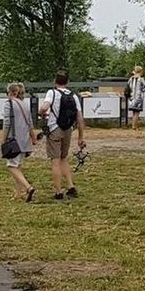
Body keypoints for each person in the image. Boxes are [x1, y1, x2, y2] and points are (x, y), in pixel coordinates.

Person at [38, 69, 86, 200]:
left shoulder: (52, 93)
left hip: (54, 129)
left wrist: (41, 113)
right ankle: (71, 186)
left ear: (55, 81)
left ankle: (58, 191)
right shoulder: (73, 95)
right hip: (68, 130)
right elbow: (80, 118)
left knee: (55, 160)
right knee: (64, 158)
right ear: (67, 81)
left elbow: (44, 107)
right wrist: (81, 137)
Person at [2, 82, 37, 202]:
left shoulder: (9, 104)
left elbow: (7, 124)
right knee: (18, 166)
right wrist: (33, 138)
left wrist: (3, 140)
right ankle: (19, 192)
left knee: (11, 166)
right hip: (25, 140)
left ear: (10, 92)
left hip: (14, 139)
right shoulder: (24, 104)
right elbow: (30, 123)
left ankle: (28, 187)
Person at [126, 66, 145, 130]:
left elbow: (128, 86)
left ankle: (133, 125)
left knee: (133, 112)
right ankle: (135, 126)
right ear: (140, 71)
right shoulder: (141, 79)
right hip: (138, 98)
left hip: (131, 97)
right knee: (137, 113)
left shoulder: (130, 79)